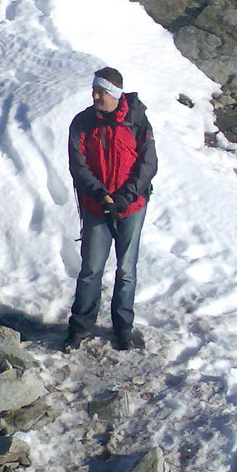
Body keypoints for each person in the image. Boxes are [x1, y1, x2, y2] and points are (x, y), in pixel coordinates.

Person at [64, 67, 157, 352]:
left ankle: (122, 327)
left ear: (115, 94)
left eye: (101, 92)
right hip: (96, 207)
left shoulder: (137, 119)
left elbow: (148, 164)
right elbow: (78, 166)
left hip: (131, 207)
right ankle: (80, 326)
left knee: (126, 269)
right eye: (94, 90)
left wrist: (123, 198)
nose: (95, 96)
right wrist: (102, 195)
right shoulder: (82, 122)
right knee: (91, 269)